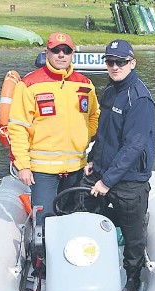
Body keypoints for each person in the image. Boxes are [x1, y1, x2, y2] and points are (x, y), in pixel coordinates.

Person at [82, 39, 155, 291]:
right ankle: (92, 266)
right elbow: (104, 134)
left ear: (132, 63)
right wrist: (95, 164)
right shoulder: (111, 90)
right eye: (110, 62)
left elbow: (134, 146)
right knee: (88, 216)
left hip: (129, 179)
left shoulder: (139, 98)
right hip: (104, 173)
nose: (115, 66)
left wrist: (107, 181)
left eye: (121, 62)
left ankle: (133, 276)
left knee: (132, 233)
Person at [8, 32, 100, 225]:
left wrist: (86, 135)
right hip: (43, 171)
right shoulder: (29, 84)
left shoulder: (85, 84)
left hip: (76, 167)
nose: (61, 54)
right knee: (44, 222)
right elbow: (18, 127)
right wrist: (23, 166)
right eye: (56, 50)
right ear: (47, 52)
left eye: (66, 50)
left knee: (72, 218)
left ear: (72, 53)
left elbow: (95, 115)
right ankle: (41, 255)